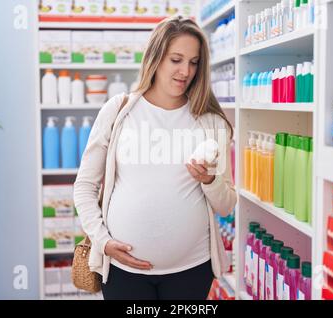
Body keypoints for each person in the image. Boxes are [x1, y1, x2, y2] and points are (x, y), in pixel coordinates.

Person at [74, 15, 237, 300]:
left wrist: (209, 180)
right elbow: (85, 186)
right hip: (124, 272)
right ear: (156, 57)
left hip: (192, 271)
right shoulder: (119, 110)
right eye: (176, 59)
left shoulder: (211, 122)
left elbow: (225, 206)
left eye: (194, 62)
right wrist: (103, 241)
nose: (185, 71)